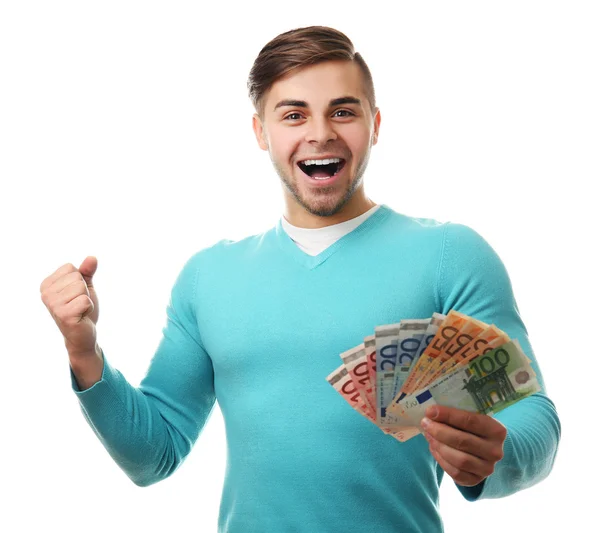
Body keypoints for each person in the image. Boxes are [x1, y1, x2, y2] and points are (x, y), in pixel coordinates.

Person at [39, 25, 561, 533]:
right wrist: (84, 352)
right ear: (260, 132)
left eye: (343, 111)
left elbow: (532, 414)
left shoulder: (451, 254)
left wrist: (495, 453)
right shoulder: (208, 277)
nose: (320, 132)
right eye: (294, 114)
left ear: (375, 124)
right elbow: (153, 455)